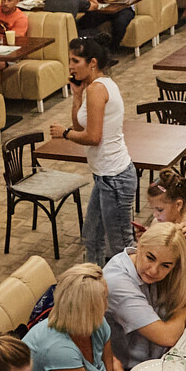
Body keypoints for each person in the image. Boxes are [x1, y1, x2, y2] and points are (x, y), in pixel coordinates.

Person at [49, 34, 135, 263]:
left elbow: (93, 137)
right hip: (105, 176)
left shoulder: (97, 89)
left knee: (121, 245)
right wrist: (76, 96)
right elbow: (81, 126)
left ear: (92, 63)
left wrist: (64, 133)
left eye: (76, 61)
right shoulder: (94, 87)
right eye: (70, 60)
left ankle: (134, 283)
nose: (70, 66)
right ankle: (94, 279)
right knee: (92, 236)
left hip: (115, 177)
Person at [22, 263, 126, 371]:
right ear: (89, 308)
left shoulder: (98, 324)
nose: (107, 304)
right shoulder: (58, 350)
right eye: (105, 298)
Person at [102, 225, 186, 368]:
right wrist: (183, 305)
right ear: (140, 244)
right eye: (150, 258)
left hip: (160, 356)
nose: (154, 271)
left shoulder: (161, 261)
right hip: (130, 369)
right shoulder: (117, 281)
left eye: (166, 266)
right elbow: (167, 337)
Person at [134, 165, 186, 266]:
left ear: (178, 205)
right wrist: (144, 243)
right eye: (153, 209)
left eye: (160, 210)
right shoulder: (157, 222)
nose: (155, 215)